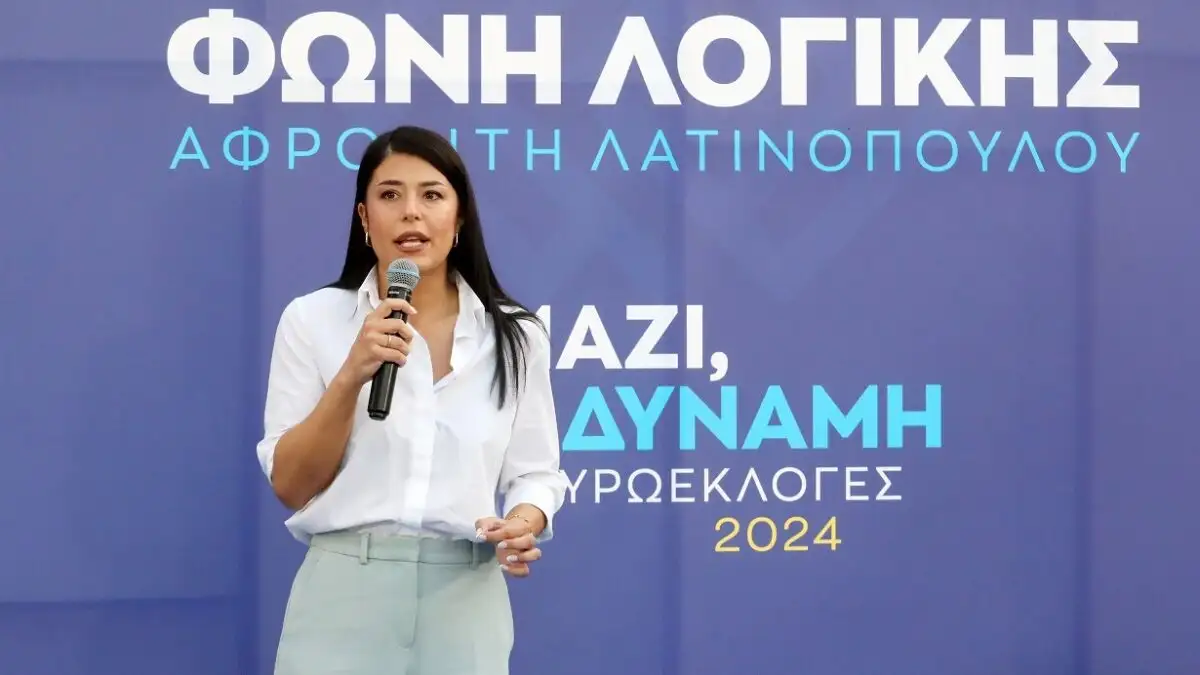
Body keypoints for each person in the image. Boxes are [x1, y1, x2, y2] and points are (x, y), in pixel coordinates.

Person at [255, 125, 568, 675]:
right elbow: (291, 484)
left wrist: (523, 520)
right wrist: (352, 374)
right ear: (364, 217)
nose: (411, 213)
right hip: (343, 595)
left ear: (460, 216)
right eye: (390, 194)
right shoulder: (312, 320)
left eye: (432, 195)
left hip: (465, 596)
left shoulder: (516, 335)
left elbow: (536, 472)